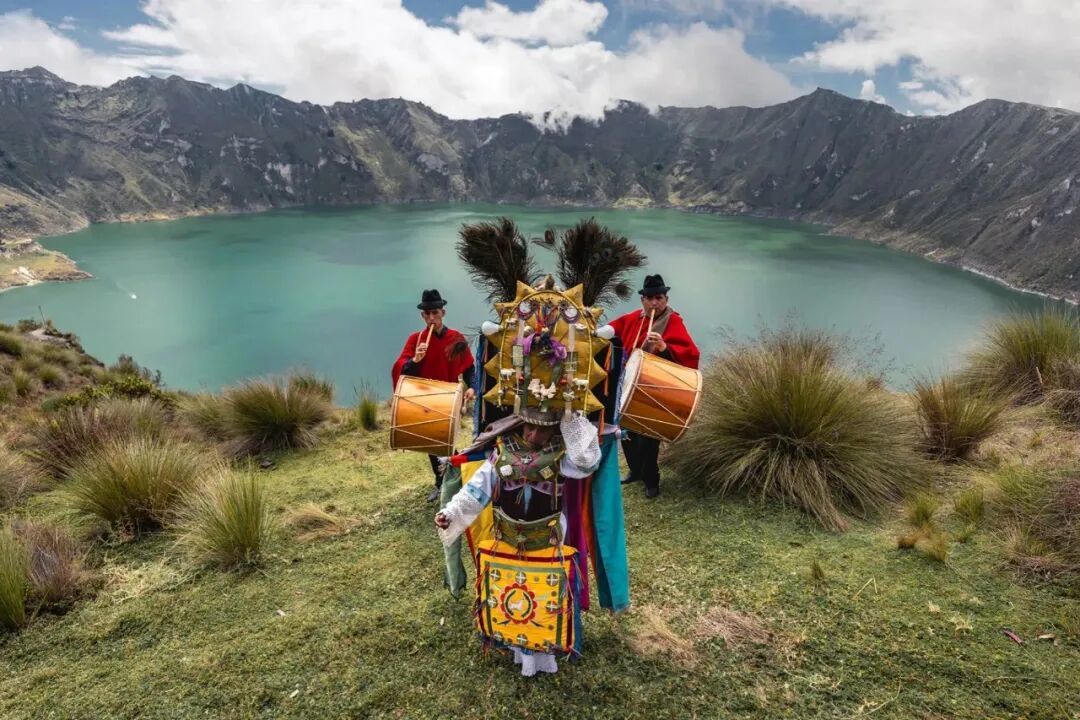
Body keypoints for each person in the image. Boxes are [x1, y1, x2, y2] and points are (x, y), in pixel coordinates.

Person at [434, 276, 630, 678]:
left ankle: (547, 655)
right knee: (513, 598)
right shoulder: (502, 452)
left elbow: (587, 461)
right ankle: (515, 649)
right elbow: (477, 491)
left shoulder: (565, 456)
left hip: (548, 543)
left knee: (547, 600)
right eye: (530, 426)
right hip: (507, 540)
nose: (536, 434)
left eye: (543, 427)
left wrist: (570, 415)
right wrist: (450, 513)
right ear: (518, 422)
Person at [608, 274, 700, 499]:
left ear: (666, 299)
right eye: (649, 298)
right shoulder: (634, 318)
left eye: (659, 298)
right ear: (643, 300)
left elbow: (691, 355)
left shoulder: (673, 321)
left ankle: (651, 480)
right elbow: (612, 330)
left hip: (656, 388)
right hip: (629, 384)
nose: (654, 303)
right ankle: (635, 471)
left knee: (648, 438)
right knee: (627, 433)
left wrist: (664, 347)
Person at [391, 289, 476, 502]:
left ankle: (453, 479)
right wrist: (415, 360)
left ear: (443, 313)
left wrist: (472, 386)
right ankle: (444, 482)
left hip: (449, 398)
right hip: (426, 398)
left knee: (445, 442)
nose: (431, 318)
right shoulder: (416, 339)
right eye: (427, 314)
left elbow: (469, 368)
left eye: (435, 313)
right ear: (422, 316)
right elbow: (401, 369)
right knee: (432, 443)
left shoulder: (456, 338)